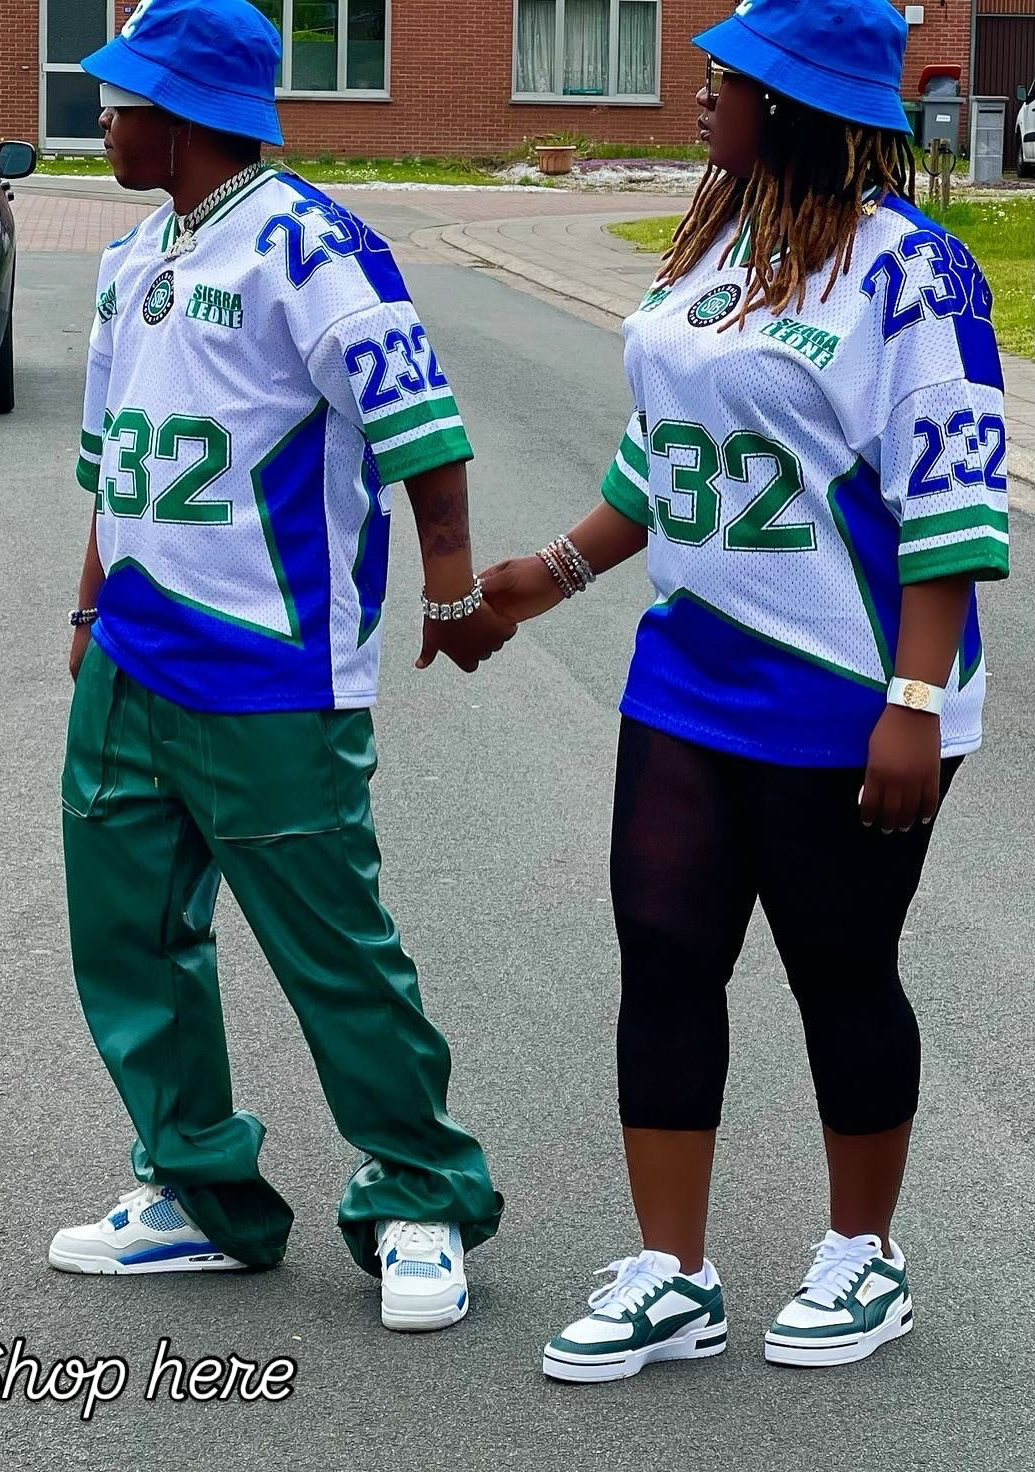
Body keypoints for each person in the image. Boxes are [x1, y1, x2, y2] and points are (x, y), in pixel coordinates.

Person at [481, 0, 1008, 1380]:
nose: (704, 82)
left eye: (732, 70)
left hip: (850, 687)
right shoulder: (719, 242)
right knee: (662, 955)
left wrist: (911, 700)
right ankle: (673, 1274)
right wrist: (552, 572)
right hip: (689, 669)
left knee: (841, 971)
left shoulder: (916, 272)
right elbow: (666, 449)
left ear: (795, 98)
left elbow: (952, 503)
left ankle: (864, 1255)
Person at [50, 0, 514, 1333]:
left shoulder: (315, 249)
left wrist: (449, 589)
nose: (103, 120)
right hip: (131, 660)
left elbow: (426, 437)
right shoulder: (132, 254)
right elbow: (114, 467)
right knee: (131, 939)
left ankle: (422, 1192)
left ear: (186, 117)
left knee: (334, 955)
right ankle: (198, 1193)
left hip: (272, 678)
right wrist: (86, 614)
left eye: (122, 101)